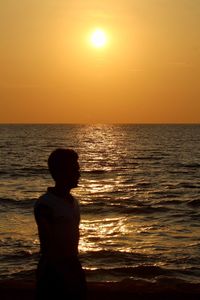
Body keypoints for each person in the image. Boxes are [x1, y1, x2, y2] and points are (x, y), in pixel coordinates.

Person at [34, 148, 87, 300]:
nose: (79, 174)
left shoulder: (73, 202)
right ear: (61, 172)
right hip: (54, 271)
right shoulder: (46, 204)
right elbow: (48, 245)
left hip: (72, 265)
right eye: (74, 169)